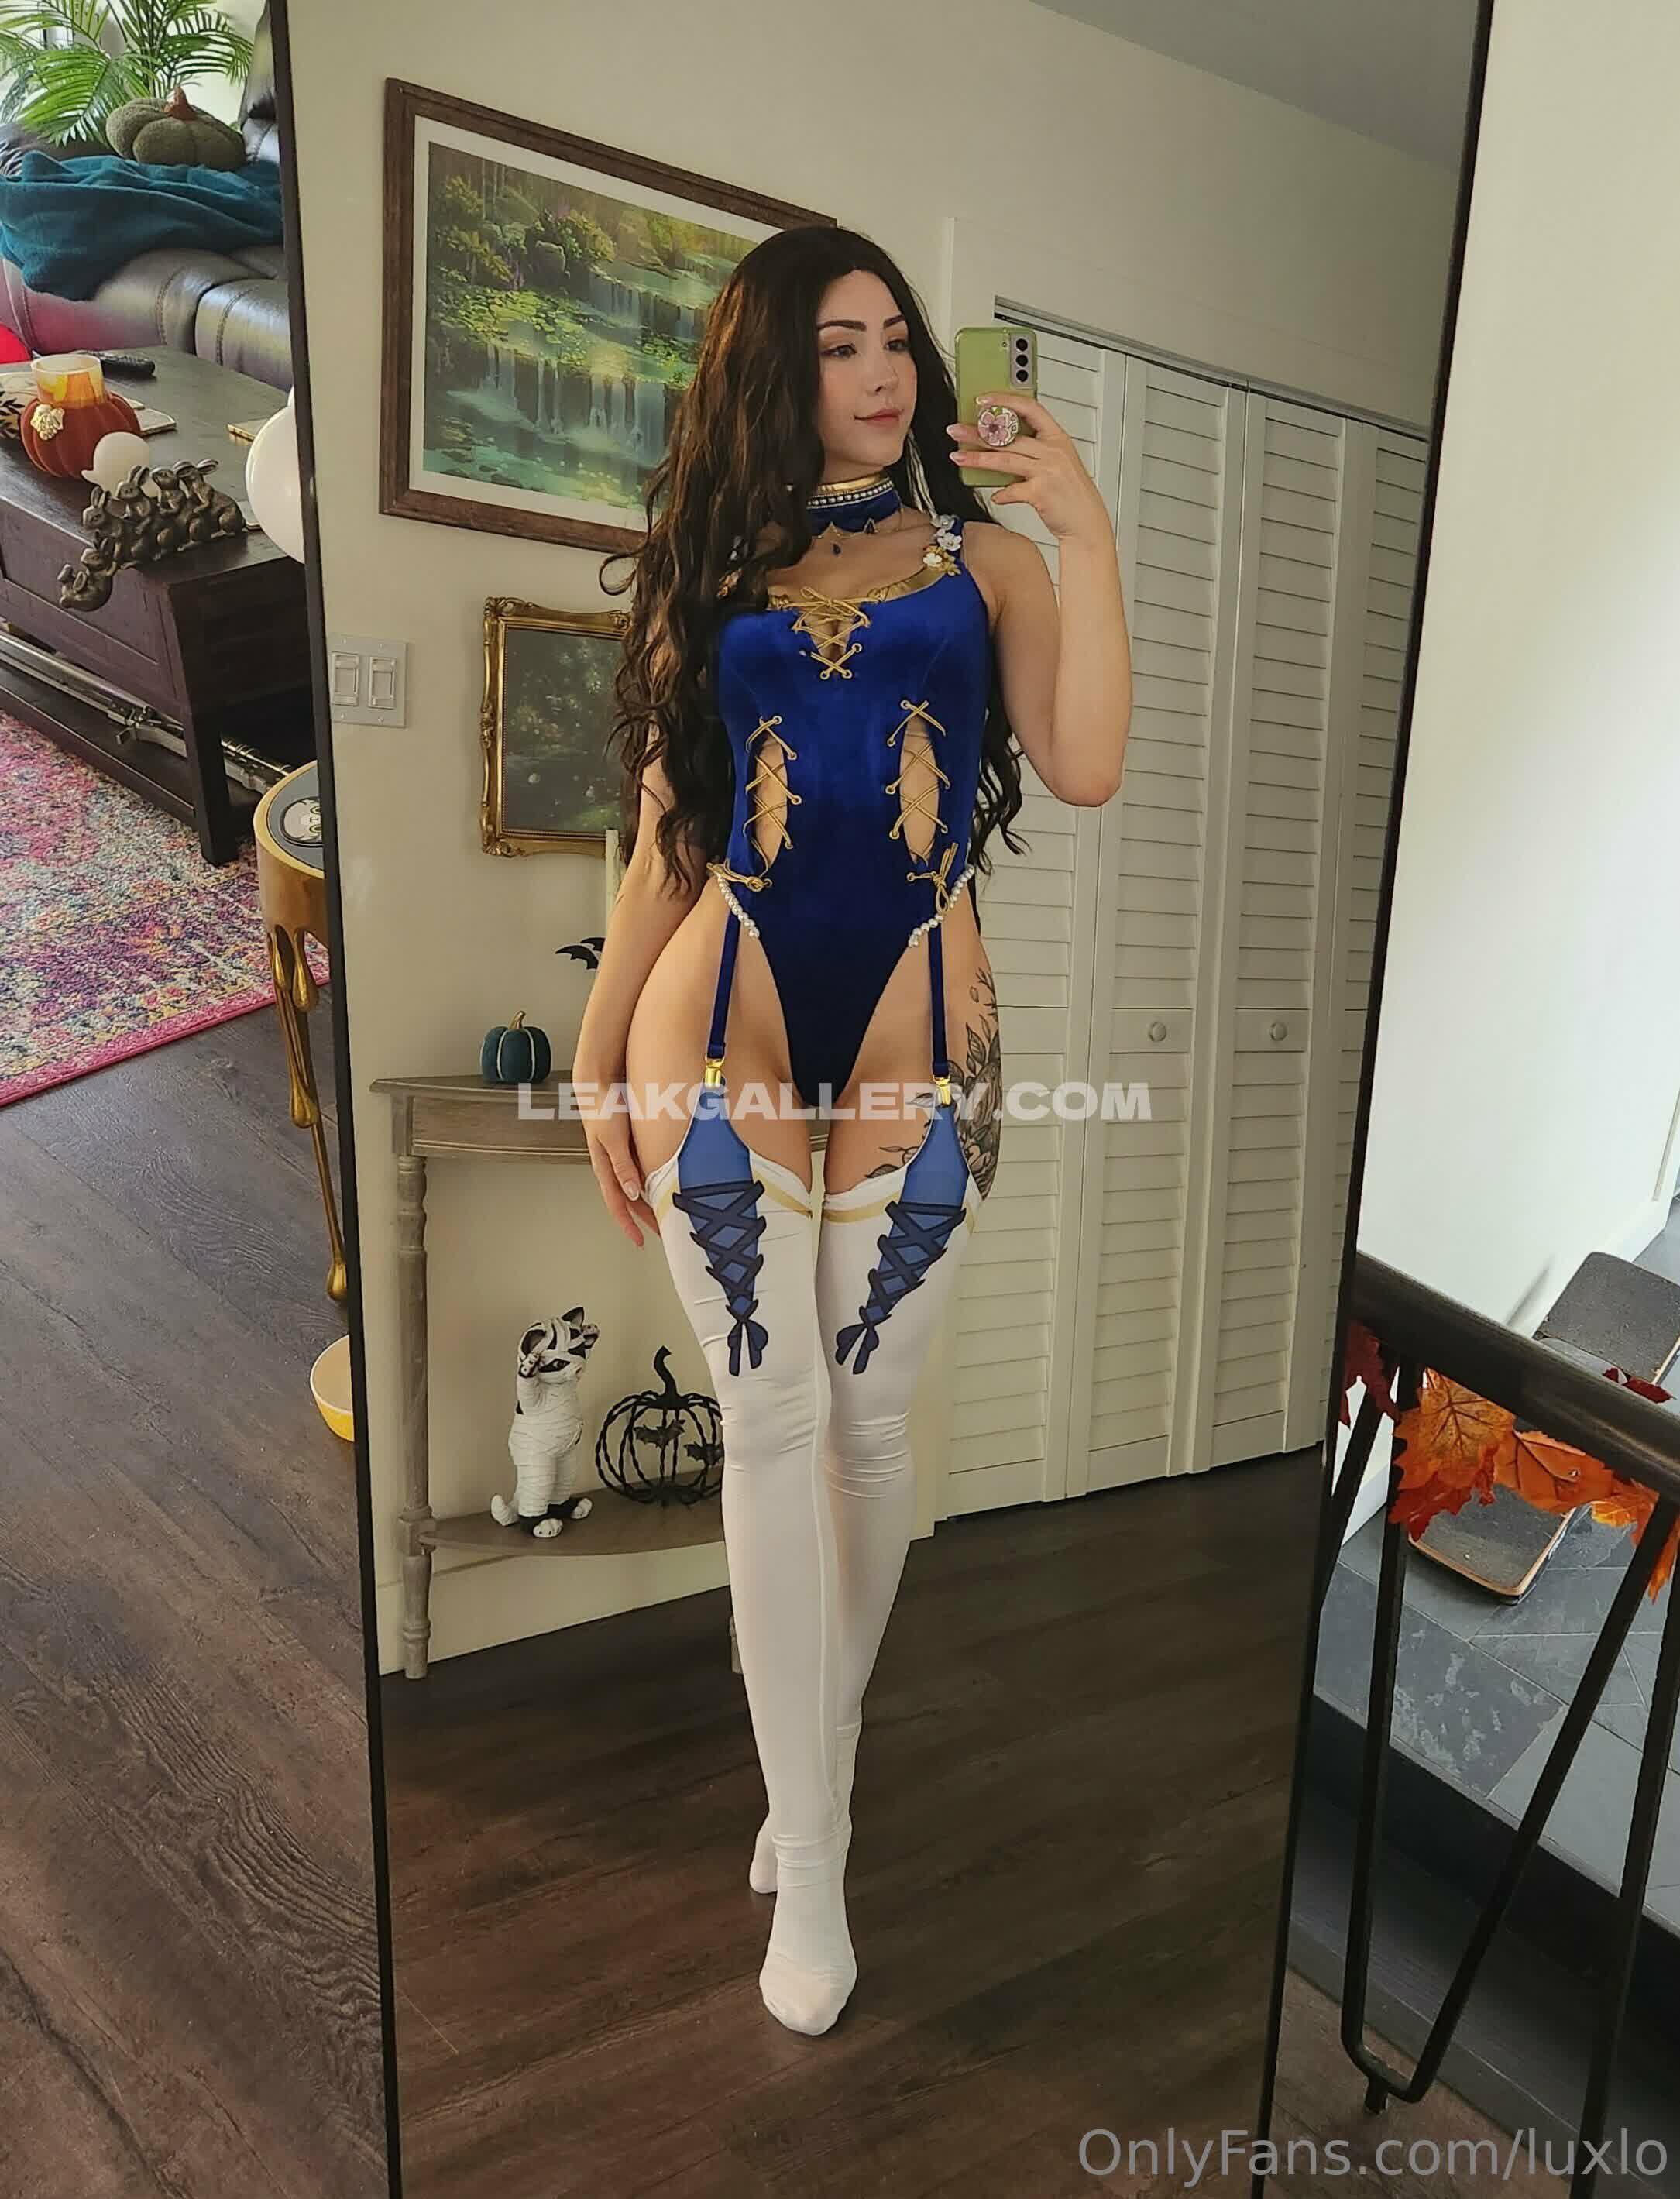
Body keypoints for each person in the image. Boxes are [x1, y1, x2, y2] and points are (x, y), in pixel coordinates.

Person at [577, 225, 1132, 2036]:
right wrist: (594, 1047)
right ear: (773, 367)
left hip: (918, 1004)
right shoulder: (707, 569)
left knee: (869, 1422)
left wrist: (1083, 531)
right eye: (838, 343)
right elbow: (665, 835)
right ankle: (808, 1856)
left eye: (894, 336)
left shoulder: (984, 562)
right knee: (771, 1416)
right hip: (716, 998)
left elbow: (1084, 762)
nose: (882, 371)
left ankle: (815, 1757)